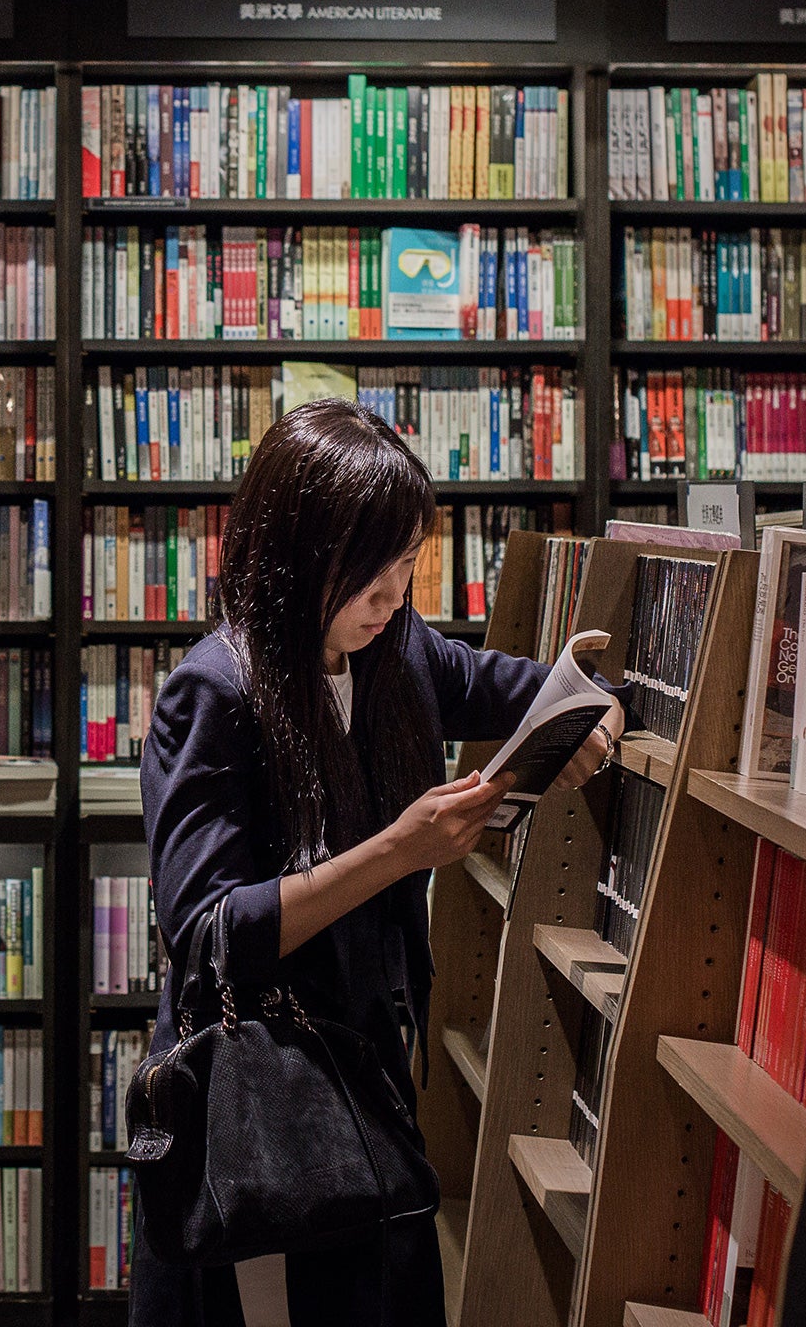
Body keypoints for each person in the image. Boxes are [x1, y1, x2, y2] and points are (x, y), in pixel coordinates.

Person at [131, 398, 625, 1327]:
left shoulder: (397, 654)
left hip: (367, 1084)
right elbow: (206, 936)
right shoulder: (218, 687)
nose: (392, 596)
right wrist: (400, 850)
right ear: (296, 553)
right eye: (369, 572)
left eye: (405, 565)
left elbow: (500, 686)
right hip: (263, 1105)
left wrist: (589, 706)